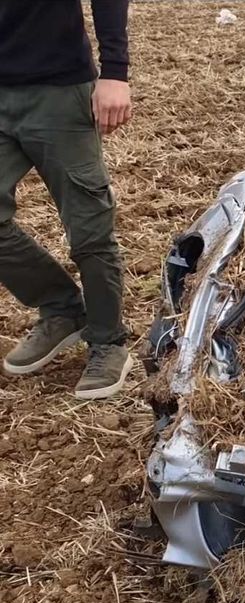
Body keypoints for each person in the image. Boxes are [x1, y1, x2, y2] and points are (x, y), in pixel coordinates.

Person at [0, 0, 133, 399]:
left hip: (59, 90)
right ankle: (61, 308)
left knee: (88, 226)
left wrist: (115, 73)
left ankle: (108, 342)